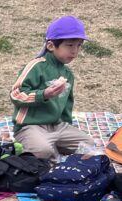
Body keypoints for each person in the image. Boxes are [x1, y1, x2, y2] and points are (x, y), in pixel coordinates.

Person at [10, 15, 95, 161]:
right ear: (50, 46)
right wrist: (43, 94)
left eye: (79, 45)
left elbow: (67, 106)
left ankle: (53, 146)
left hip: (57, 126)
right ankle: (41, 147)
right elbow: (16, 94)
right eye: (70, 45)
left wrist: (67, 127)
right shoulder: (36, 66)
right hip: (30, 126)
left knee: (88, 145)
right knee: (42, 151)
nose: (75, 51)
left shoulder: (67, 74)